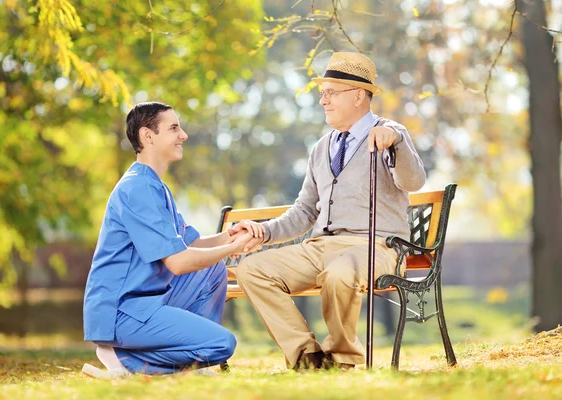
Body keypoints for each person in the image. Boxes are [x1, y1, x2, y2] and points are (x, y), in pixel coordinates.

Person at [231, 52, 427, 371]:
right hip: (319, 246)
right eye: (322, 93)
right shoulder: (321, 148)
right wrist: (264, 231)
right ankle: (308, 356)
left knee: (340, 273)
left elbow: (414, 181)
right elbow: (305, 211)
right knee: (252, 268)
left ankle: (343, 358)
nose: (323, 101)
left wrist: (397, 142)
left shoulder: (389, 133)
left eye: (330, 92)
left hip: (373, 247)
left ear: (359, 95)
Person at [82, 102, 256, 378]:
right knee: (223, 343)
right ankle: (124, 358)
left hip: (148, 302)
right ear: (147, 136)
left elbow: (190, 245)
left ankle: (193, 360)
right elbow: (177, 262)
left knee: (212, 270)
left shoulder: (155, 186)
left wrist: (230, 236)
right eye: (174, 128)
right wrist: (231, 249)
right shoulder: (137, 188)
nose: (183, 135)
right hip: (122, 312)